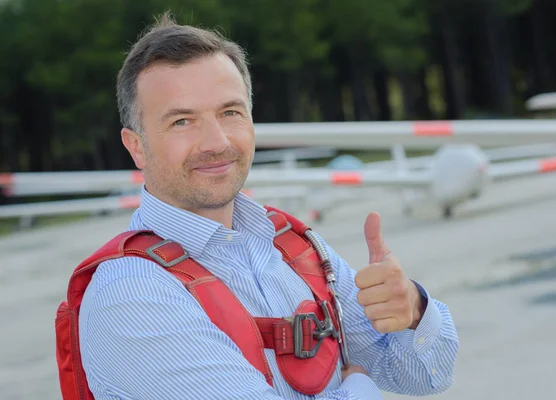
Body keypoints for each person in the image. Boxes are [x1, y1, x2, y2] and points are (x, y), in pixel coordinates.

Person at [77, 12, 459, 400]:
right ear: (136, 146)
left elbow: (424, 376)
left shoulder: (292, 247)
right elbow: (375, 380)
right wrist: (359, 386)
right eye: (181, 121)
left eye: (230, 112)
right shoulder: (131, 297)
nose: (216, 141)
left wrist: (412, 309)